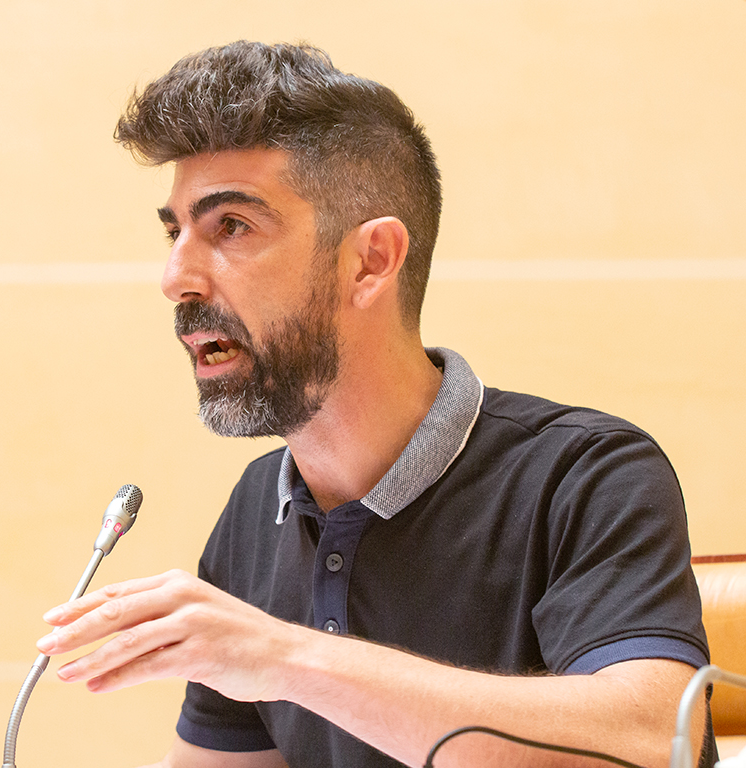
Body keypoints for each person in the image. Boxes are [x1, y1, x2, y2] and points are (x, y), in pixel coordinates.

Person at [35, 41, 715, 768]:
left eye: (230, 226)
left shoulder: (584, 474)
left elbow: (652, 741)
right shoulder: (256, 508)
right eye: (176, 233)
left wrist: (288, 659)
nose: (176, 278)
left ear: (371, 261)